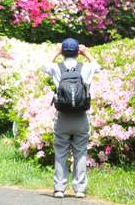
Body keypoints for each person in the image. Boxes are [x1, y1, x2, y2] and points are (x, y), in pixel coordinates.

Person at [41, 38, 101, 199]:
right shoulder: (86, 67)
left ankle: (59, 188)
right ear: (77, 52)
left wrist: (55, 52)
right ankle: (79, 189)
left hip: (62, 117)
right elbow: (98, 68)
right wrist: (87, 54)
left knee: (61, 152)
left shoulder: (56, 68)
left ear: (63, 52)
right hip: (81, 117)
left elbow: (45, 67)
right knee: (80, 153)